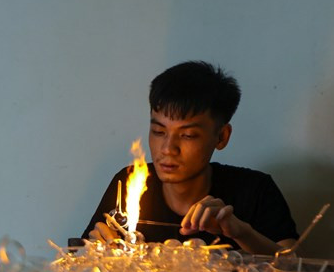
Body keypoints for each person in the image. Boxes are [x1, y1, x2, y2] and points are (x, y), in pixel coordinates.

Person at [82, 61, 298, 255]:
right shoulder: (129, 182)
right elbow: (81, 259)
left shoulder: (255, 190)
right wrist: (95, 248)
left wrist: (241, 232)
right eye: (158, 131)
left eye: (187, 135)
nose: (168, 149)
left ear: (221, 137)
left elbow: (296, 268)